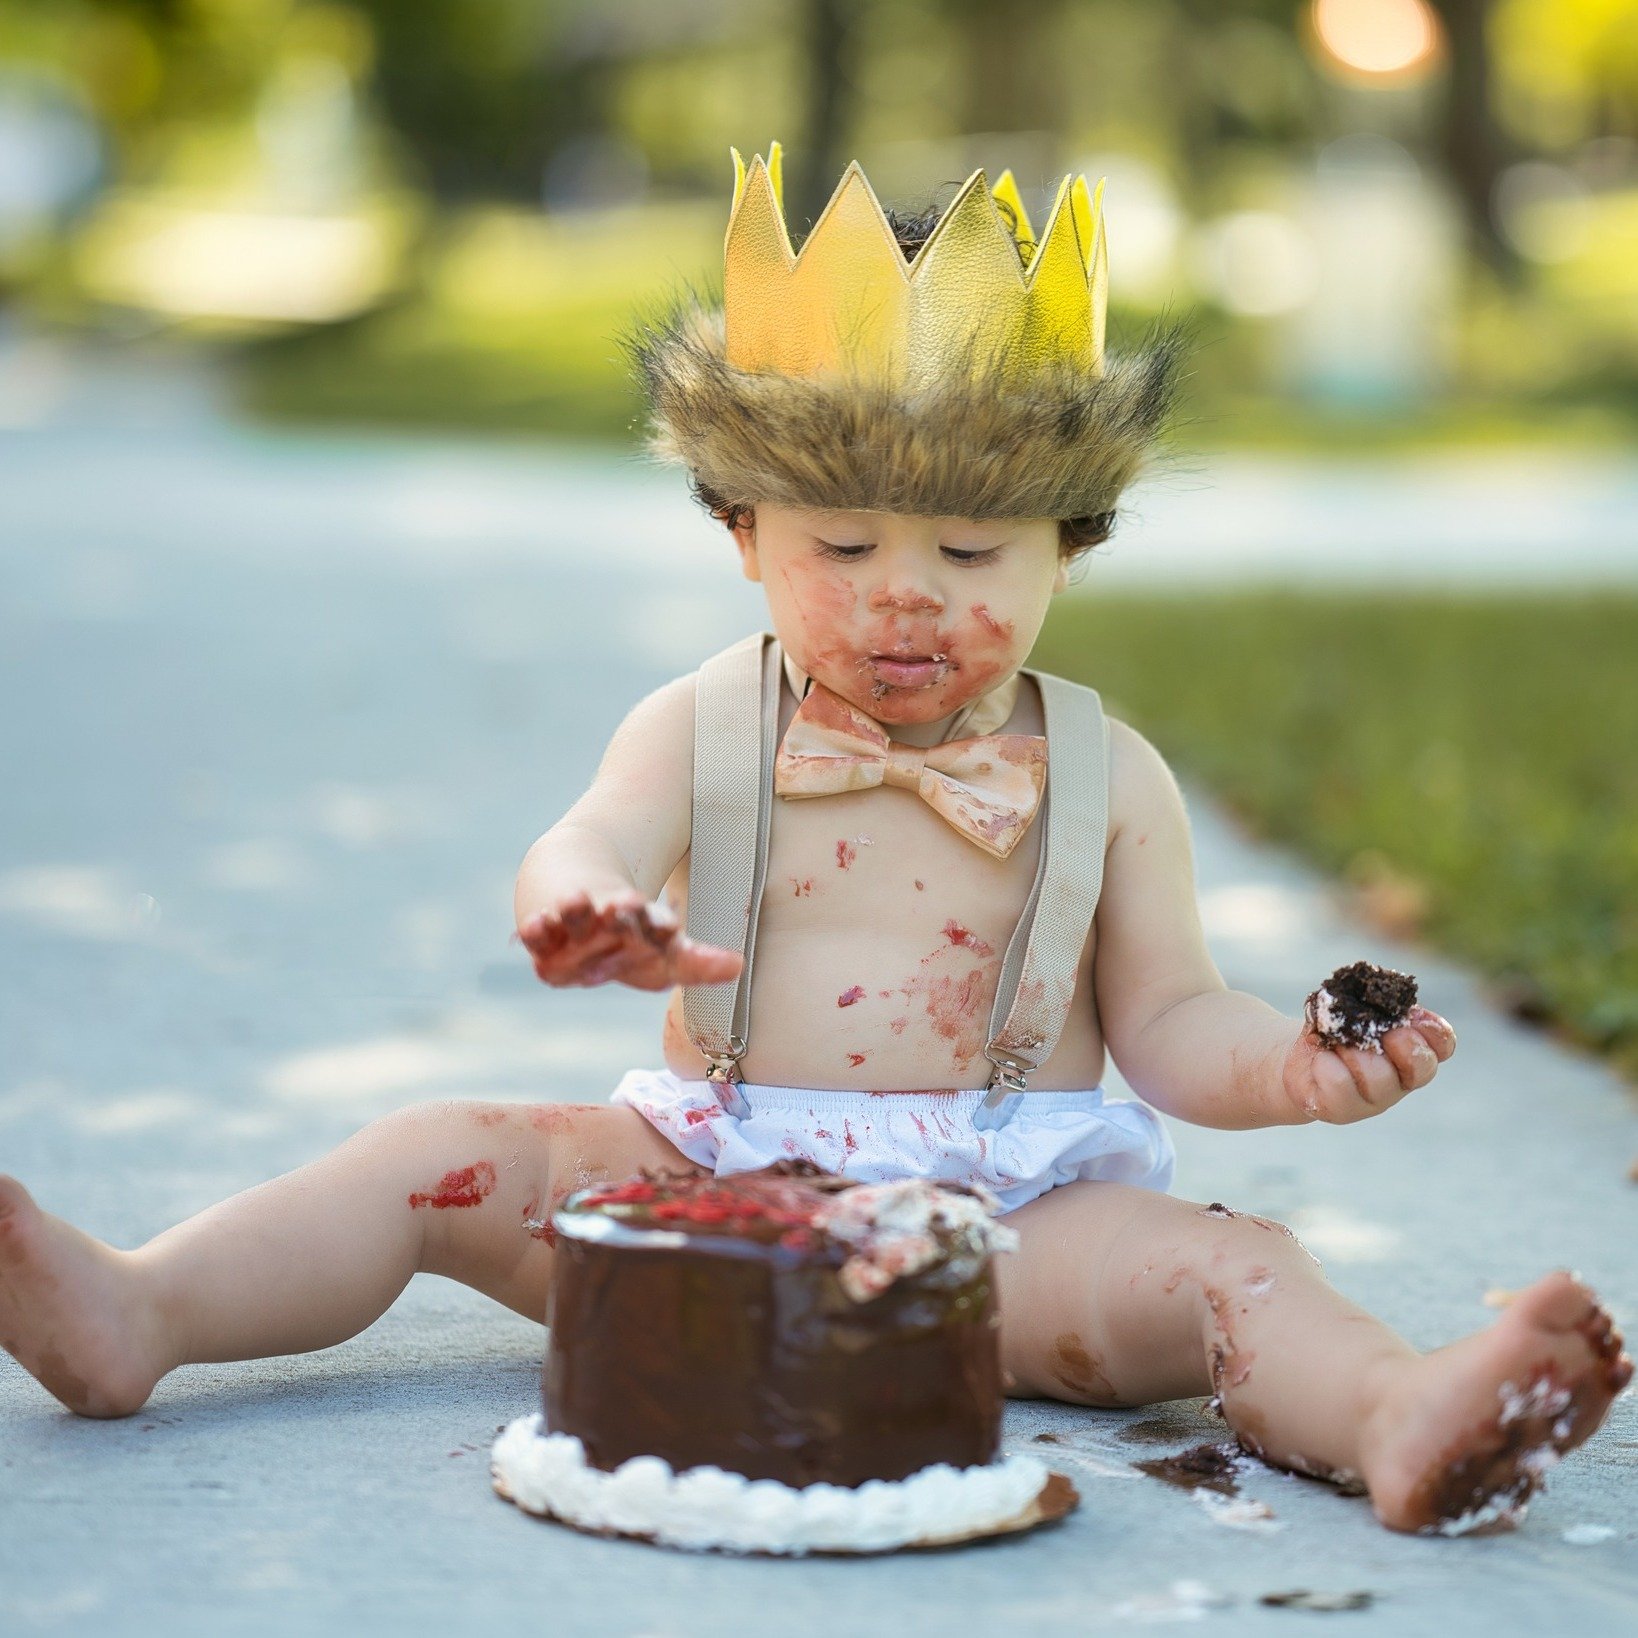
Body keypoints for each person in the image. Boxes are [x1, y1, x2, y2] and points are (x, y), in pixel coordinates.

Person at [0, 146, 1626, 1536]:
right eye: (841, 543)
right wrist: (582, 904)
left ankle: (1398, 1416)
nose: (904, 594)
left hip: (1007, 1236)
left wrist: (1285, 1069)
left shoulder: (1104, 773)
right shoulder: (700, 726)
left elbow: (1171, 1018)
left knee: (1238, 1269)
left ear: (1069, 546)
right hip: (698, 1192)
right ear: (740, 530)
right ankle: (144, 1308)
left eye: (972, 550)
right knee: (429, 1156)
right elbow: (583, 838)